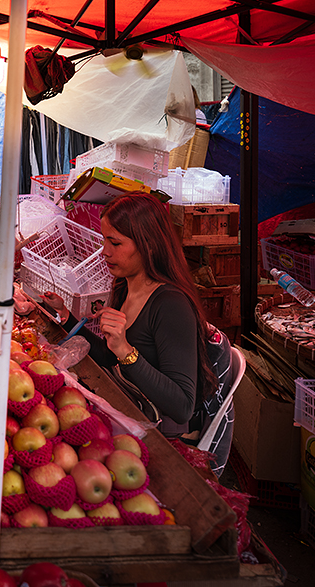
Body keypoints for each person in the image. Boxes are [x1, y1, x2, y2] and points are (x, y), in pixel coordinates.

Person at [64, 193, 235, 472]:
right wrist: (64, 318)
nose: (105, 252)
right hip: (128, 416)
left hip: (157, 441)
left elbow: (182, 406)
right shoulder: (124, 286)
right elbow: (109, 359)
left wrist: (126, 351)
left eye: (115, 243)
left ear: (148, 245)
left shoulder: (171, 305)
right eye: (104, 240)